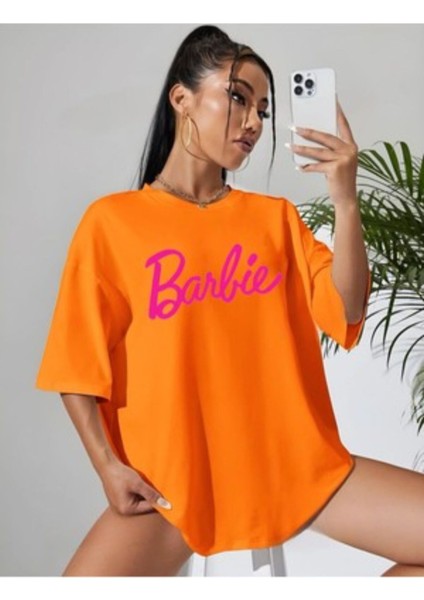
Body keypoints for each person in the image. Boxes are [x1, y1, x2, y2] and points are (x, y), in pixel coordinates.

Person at [34, 24, 424, 577]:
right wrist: (107, 466)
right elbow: (76, 364)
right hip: (172, 485)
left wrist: (344, 200)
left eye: (263, 109)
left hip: (294, 470)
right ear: (182, 98)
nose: (255, 122)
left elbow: (348, 309)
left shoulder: (275, 221)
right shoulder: (113, 223)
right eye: (239, 98)